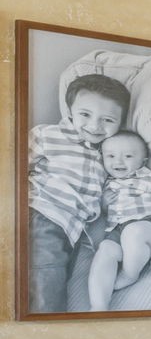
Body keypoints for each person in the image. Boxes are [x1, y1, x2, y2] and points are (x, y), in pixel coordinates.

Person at [24, 72, 129, 314]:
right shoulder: (48, 135)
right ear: (70, 110)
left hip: (70, 232)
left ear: (120, 122)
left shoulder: (109, 154)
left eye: (107, 120)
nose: (95, 126)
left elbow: (94, 195)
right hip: (43, 213)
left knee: (54, 282)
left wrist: (103, 203)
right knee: (46, 291)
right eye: (85, 115)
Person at [87, 131, 151, 311]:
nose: (118, 161)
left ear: (143, 160)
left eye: (128, 156)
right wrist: (104, 203)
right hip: (118, 229)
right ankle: (99, 306)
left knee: (134, 231)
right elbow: (104, 213)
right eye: (111, 156)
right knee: (105, 249)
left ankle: (129, 273)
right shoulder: (107, 183)